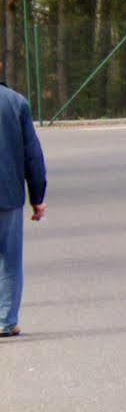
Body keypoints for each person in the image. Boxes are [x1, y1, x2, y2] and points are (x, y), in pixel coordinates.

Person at [0, 69, 48, 338]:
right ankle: (5, 321)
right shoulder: (17, 103)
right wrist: (37, 198)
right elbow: (33, 156)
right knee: (10, 260)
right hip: (7, 195)